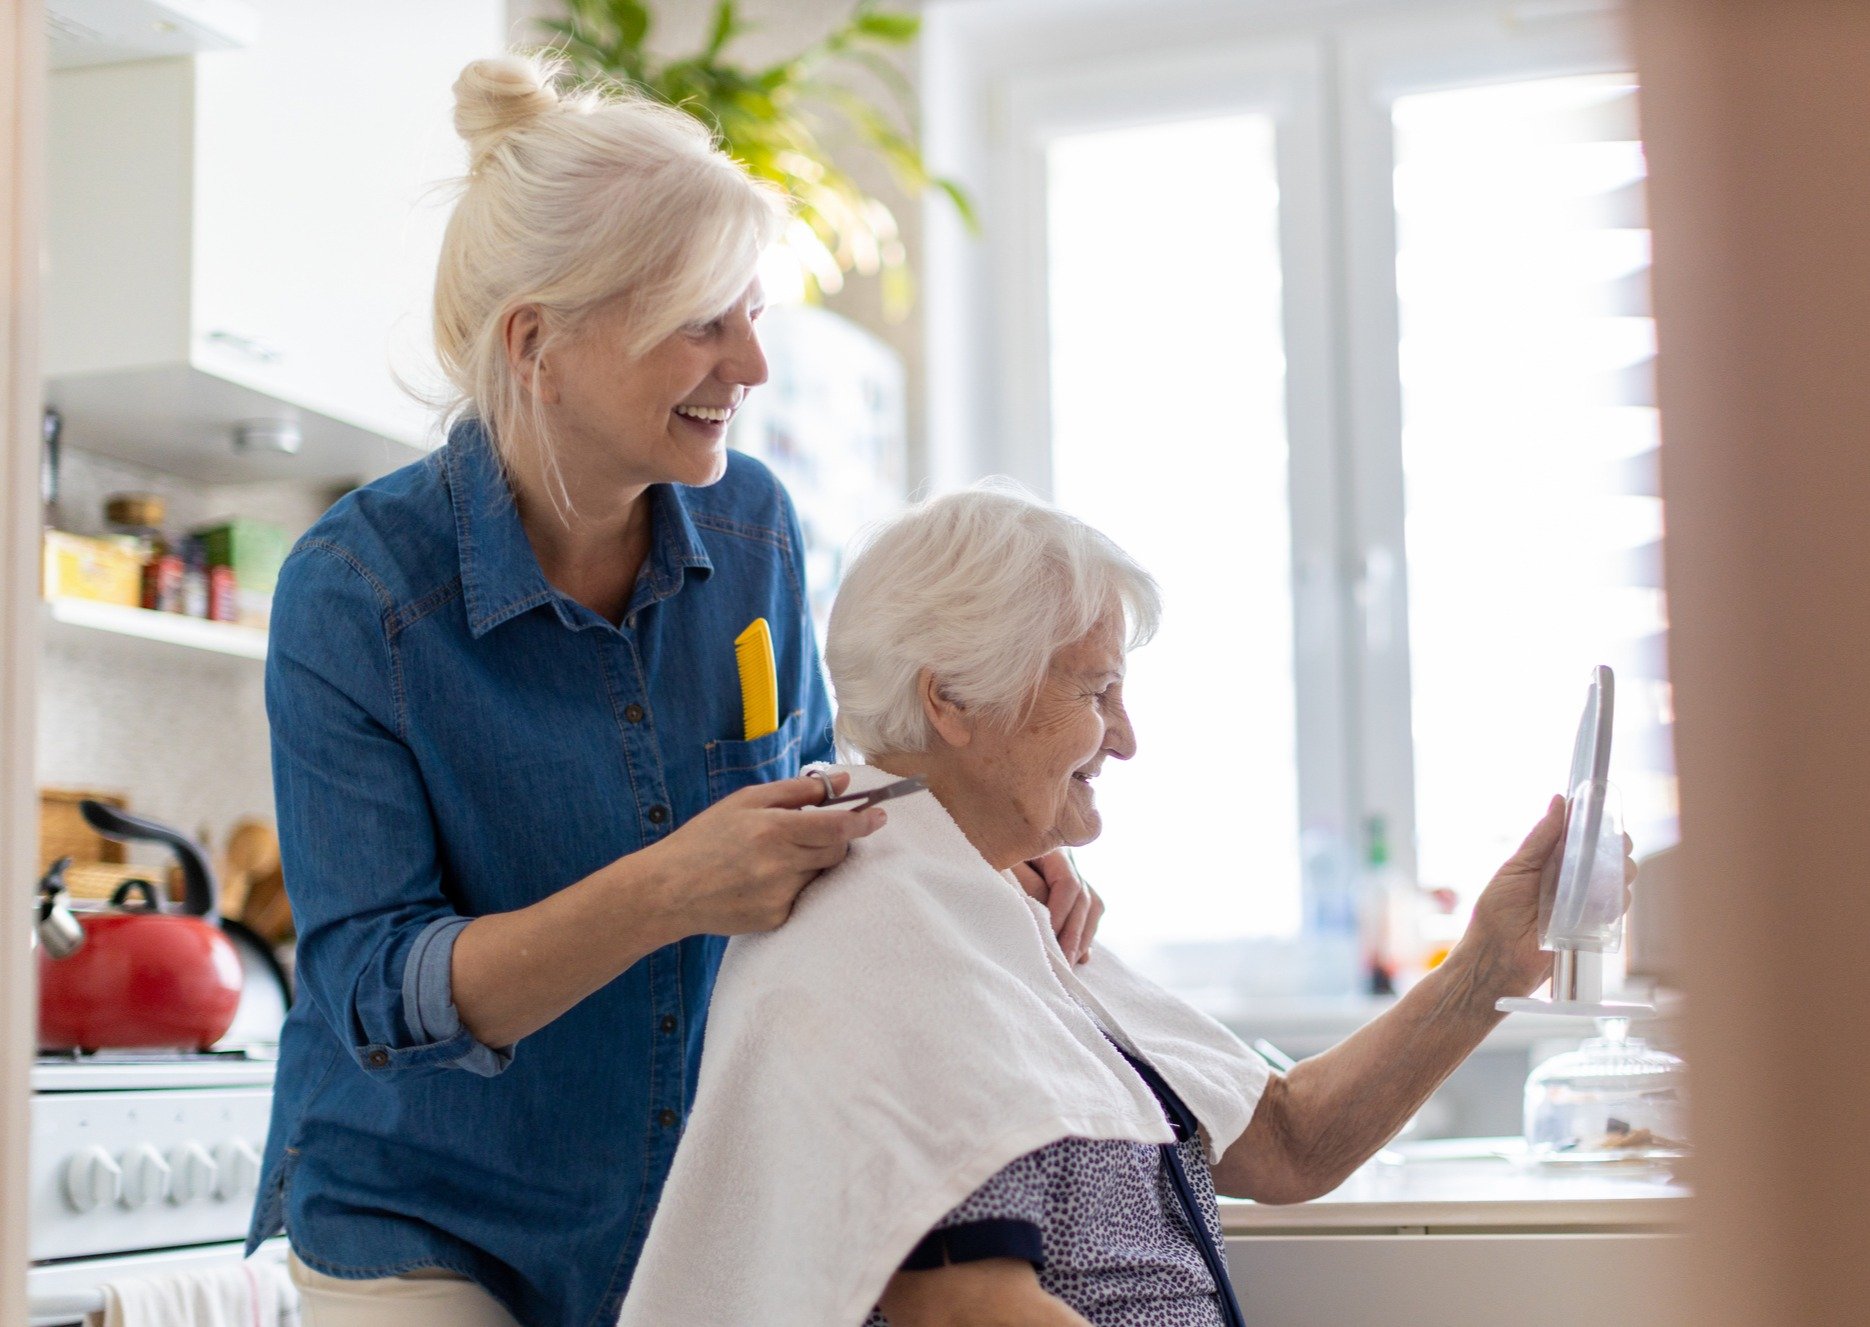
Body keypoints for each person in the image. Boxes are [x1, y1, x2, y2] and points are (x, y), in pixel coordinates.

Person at [248, 57, 1099, 1327]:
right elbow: (377, 993)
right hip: (423, 1213)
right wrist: (666, 891)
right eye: (706, 319)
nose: (751, 360)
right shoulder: (354, 592)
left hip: (689, 1188)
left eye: (750, 310)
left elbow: (820, 808)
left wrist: (968, 853)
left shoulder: (751, 528)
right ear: (538, 342)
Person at [615, 486, 1639, 1327]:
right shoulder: (879, 931)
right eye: (1095, 690)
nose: (1126, 737)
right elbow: (965, 1307)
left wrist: (1487, 968)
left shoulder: (1000, 911)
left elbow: (1286, 1140)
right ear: (951, 701)